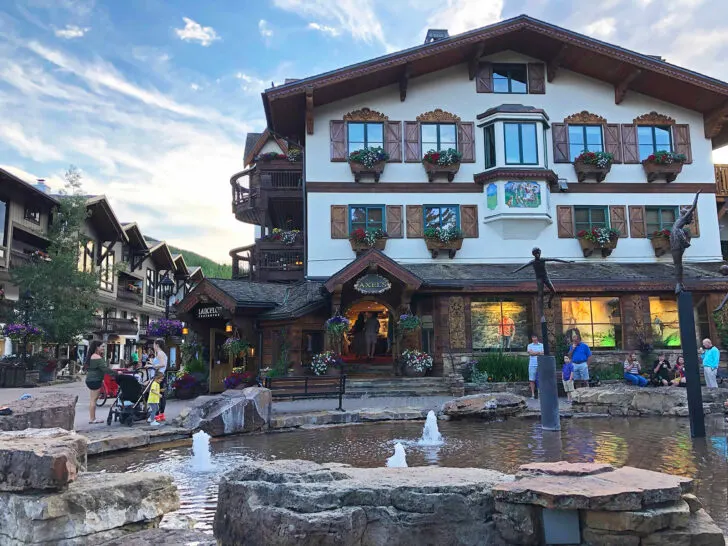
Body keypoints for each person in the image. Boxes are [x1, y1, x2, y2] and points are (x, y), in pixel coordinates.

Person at [84, 340, 112, 424]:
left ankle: (92, 418)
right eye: (102, 346)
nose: (104, 348)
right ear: (97, 347)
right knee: (93, 400)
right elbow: (105, 369)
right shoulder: (97, 357)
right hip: (95, 380)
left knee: (93, 399)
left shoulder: (92, 356)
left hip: (91, 379)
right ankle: (92, 419)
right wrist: (117, 373)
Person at [151, 339, 169, 421]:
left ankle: (158, 414)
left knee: (157, 394)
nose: (153, 346)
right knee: (160, 394)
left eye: (154, 344)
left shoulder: (160, 353)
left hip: (159, 376)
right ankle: (161, 414)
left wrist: (153, 366)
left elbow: (162, 364)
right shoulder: (160, 353)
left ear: (157, 345)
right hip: (160, 375)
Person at [527, 334, 543, 399]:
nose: (534, 338)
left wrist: (534, 353)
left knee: (541, 379)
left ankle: (540, 394)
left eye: (535, 337)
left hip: (540, 364)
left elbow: (543, 353)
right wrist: (539, 352)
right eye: (533, 337)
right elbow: (530, 353)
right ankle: (533, 395)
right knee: (532, 379)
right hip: (532, 364)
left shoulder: (542, 345)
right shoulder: (529, 345)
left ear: (537, 337)